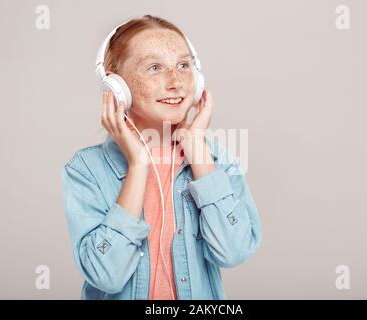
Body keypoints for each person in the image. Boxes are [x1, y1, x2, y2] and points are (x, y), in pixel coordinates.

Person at [61, 15, 262, 300]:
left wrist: (199, 153)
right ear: (117, 86)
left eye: (183, 65)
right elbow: (107, 276)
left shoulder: (218, 161)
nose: (176, 82)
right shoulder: (86, 170)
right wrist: (138, 165)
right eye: (154, 68)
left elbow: (233, 252)